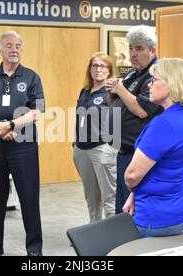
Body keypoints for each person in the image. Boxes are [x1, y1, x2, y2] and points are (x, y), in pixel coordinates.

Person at [0, 31, 45, 256]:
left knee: (28, 196)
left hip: (23, 144)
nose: (15, 49)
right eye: (10, 45)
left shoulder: (32, 77)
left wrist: (11, 125)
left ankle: (34, 250)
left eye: (19, 46)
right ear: (0, 50)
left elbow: (37, 111)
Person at [122, 58, 183, 237]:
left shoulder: (163, 124)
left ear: (172, 84)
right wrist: (134, 194)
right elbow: (165, 168)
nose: (149, 85)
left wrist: (132, 188)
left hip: (157, 218)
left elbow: (132, 175)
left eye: (154, 80)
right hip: (182, 209)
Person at [105, 25, 163, 214]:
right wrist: (112, 90)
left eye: (139, 49)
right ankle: (120, 242)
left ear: (152, 51)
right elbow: (115, 101)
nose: (133, 54)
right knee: (122, 208)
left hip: (139, 154)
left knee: (135, 209)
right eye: (131, 48)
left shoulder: (155, 75)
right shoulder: (133, 74)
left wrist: (120, 89)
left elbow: (141, 110)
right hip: (122, 152)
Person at [73, 52, 118, 223]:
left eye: (102, 66)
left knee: (109, 197)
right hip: (81, 149)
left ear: (109, 70)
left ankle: (110, 237)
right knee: (91, 196)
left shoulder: (112, 92)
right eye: (94, 65)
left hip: (102, 148)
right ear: (90, 69)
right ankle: (93, 231)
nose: (98, 69)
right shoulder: (85, 91)